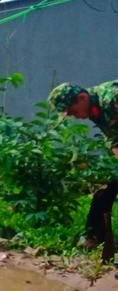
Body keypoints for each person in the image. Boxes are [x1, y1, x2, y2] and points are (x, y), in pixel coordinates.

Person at [48, 81, 118, 250]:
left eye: (72, 111)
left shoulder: (112, 98)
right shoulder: (94, 109)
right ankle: (94, 239)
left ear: (82, 97)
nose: (74, 116)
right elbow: (114, 137)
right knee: (105, 191)